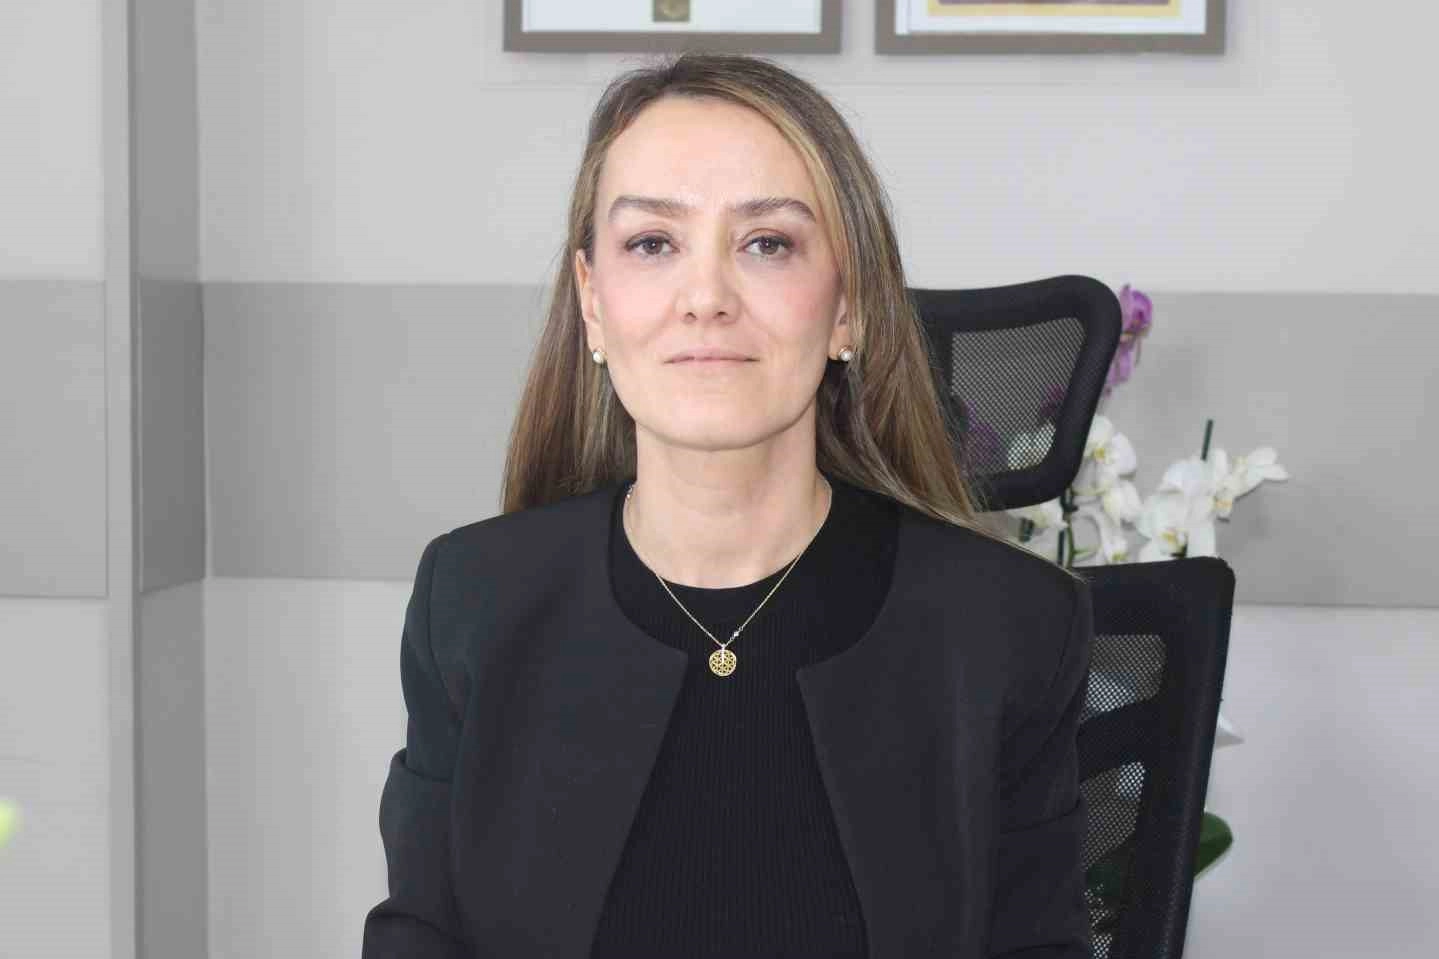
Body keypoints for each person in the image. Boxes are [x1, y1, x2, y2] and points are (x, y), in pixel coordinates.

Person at [362, 51, 1093, 959]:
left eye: (766, 244)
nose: (705, 298)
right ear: (592, 303)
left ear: (847, 306)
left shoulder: (1006, 625)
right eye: (652, 244)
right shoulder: (473, 601)